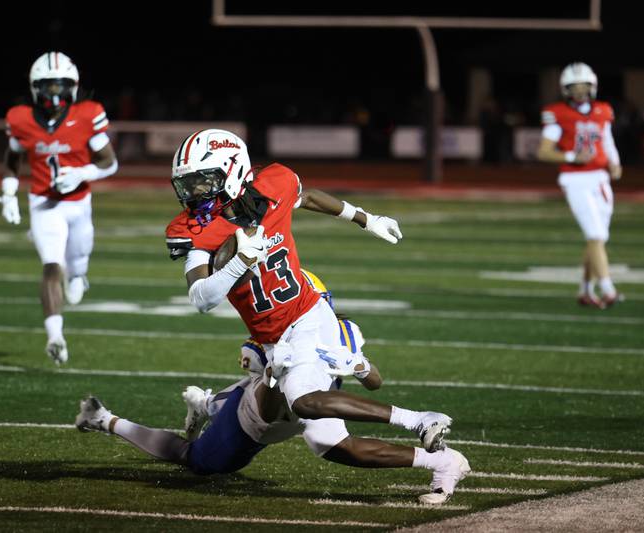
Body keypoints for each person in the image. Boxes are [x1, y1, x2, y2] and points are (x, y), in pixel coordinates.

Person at [164, 129, 454, 448]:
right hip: (268, 336)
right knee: (265, 405)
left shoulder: (274, 183)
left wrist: (367, 219)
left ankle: (418, 421)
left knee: (303, 403)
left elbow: (309, 197)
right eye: (188, 186)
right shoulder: (195, 230)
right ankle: (205, 405)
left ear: (232, 171)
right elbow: (202, 298)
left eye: (202, 183)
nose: (193, 194)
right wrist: (240, 261)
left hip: (305, 312)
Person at [76, 315, 470, 505]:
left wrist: (361, 365)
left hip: (301, 406)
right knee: (197, 456)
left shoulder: (336, 329)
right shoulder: (276, 330)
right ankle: (107, 419)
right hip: (263, 406)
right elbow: (258, 384)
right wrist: (273, 372)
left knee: (323, 439)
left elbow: (374, 380)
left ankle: (442, 461)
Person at [0, 52, 118, 364]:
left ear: (73, 86)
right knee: (52, 265)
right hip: (43, 204)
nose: (54, 94)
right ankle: (55, 335)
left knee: (78, 261)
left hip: (79, 204)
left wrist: (81, 173)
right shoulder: (20, 119)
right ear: (36, 88)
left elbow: (109, 162)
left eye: (60, 86)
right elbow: (13, 158)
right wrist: (9, 193)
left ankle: (80, 274)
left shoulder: (87, 114)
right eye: (48, 87)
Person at [536, 62, 623, 309]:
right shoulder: (557, 114)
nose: (580, 91)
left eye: (584, 86)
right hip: (575, 179)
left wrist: (615, 162)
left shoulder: (603, 111)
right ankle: (608, 289)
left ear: (593, 86)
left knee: (598, 239)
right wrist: (572, 156)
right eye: (574, 87)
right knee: (595, 235)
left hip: (600, 179)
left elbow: (607, 141)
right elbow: (543, 152)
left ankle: (585, 290)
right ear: (565, 89)